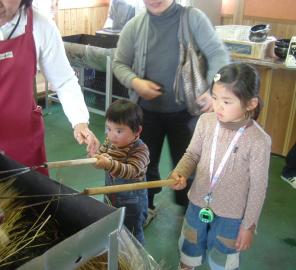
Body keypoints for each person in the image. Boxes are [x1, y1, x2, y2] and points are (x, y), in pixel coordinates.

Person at [0, 0, 99, 172]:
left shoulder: (40, 25)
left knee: (29, 196)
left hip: (23, 143)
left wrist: (79, 121)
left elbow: (64, 80)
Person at [112, 0, 230, 222]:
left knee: (190, 165)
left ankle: (190, 212)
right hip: (145, 113)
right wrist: (135, 82)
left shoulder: (193, 19)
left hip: (187, 113)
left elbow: (218, 54)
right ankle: (146, 208)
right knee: (143, 164)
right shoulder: (135, 26)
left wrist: (214, 90)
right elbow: (119, 63)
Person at [169, 63, 271, 270]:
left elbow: (258, 188)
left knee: (222, 261)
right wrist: (181, 171)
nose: (217, 106)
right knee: (188, 250)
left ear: (250, 104)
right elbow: (192, 154)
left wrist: (249, 225)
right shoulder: (205, 122)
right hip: (197, 203)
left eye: (226, 101)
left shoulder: (259, 140)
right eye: (214, 98)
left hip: (231, 217)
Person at [94, 99, 149, 244]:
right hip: (110, 194)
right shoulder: (110, 141)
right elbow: (100, 158)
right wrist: (95, 157)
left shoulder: (140, 149)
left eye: (119, 131)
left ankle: (137, 259)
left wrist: (109, 164)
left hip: (131, 200)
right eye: (109, 129)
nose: (112, 135)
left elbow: (131, 170)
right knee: (113, 222)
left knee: (132, 231)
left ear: (137, 131)